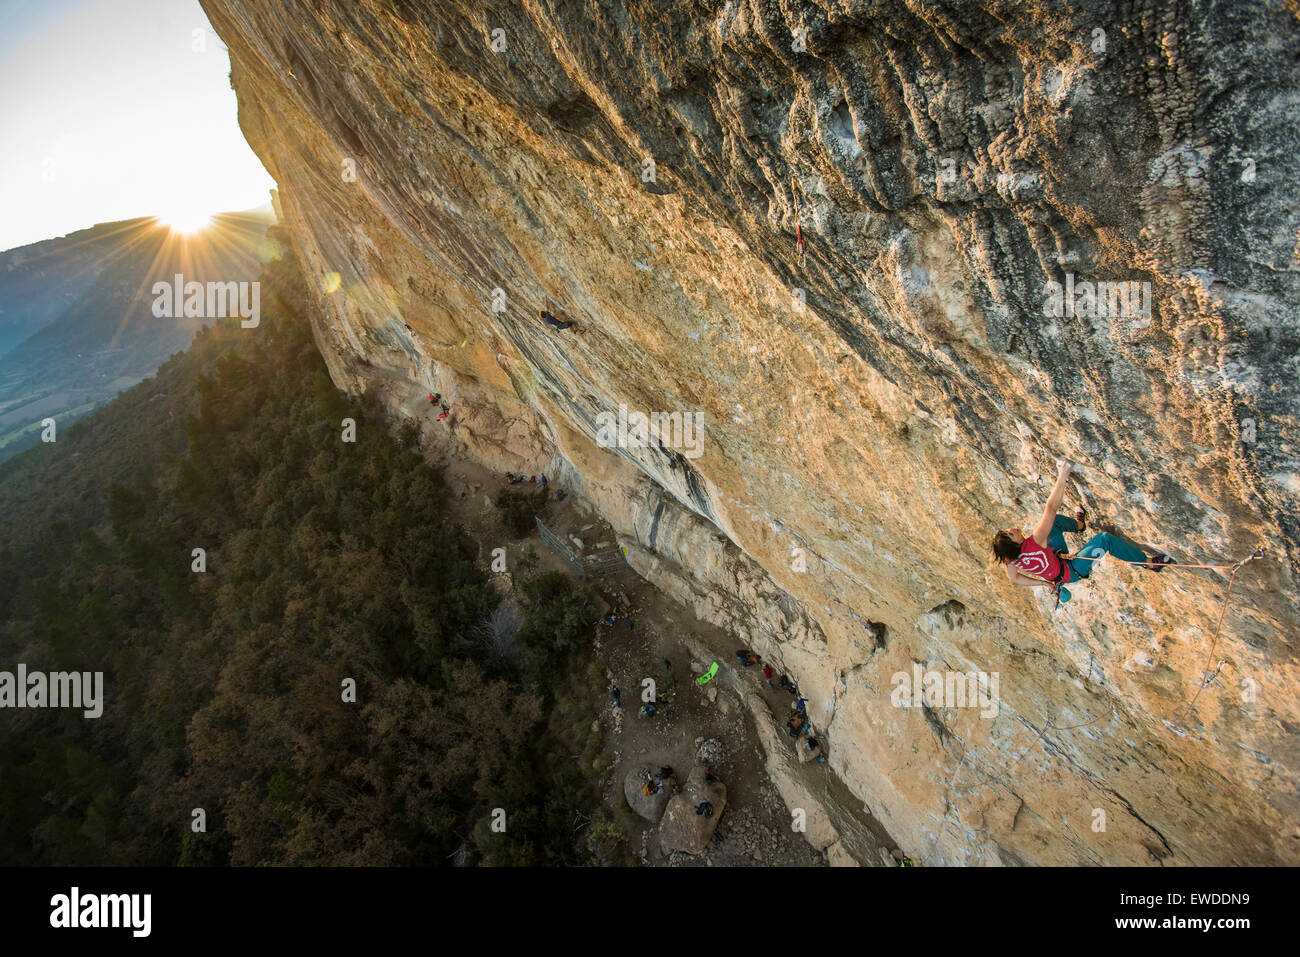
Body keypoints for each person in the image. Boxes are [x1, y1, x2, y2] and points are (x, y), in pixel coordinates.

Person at [991, 458, 1173, 603]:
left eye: (1007, 531)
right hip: (1071, 571)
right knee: (1105, 540)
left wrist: (1043, 583)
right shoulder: (1034, 541)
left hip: (1057, 562)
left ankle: (1080, 526)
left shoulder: (1010, 558)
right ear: (1016, 543)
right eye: (1011, 534)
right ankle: (1148, 563)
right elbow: (1051, 508)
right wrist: (1063, 476)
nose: (1012, 529)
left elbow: (1014, 579)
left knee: (1053, 525)